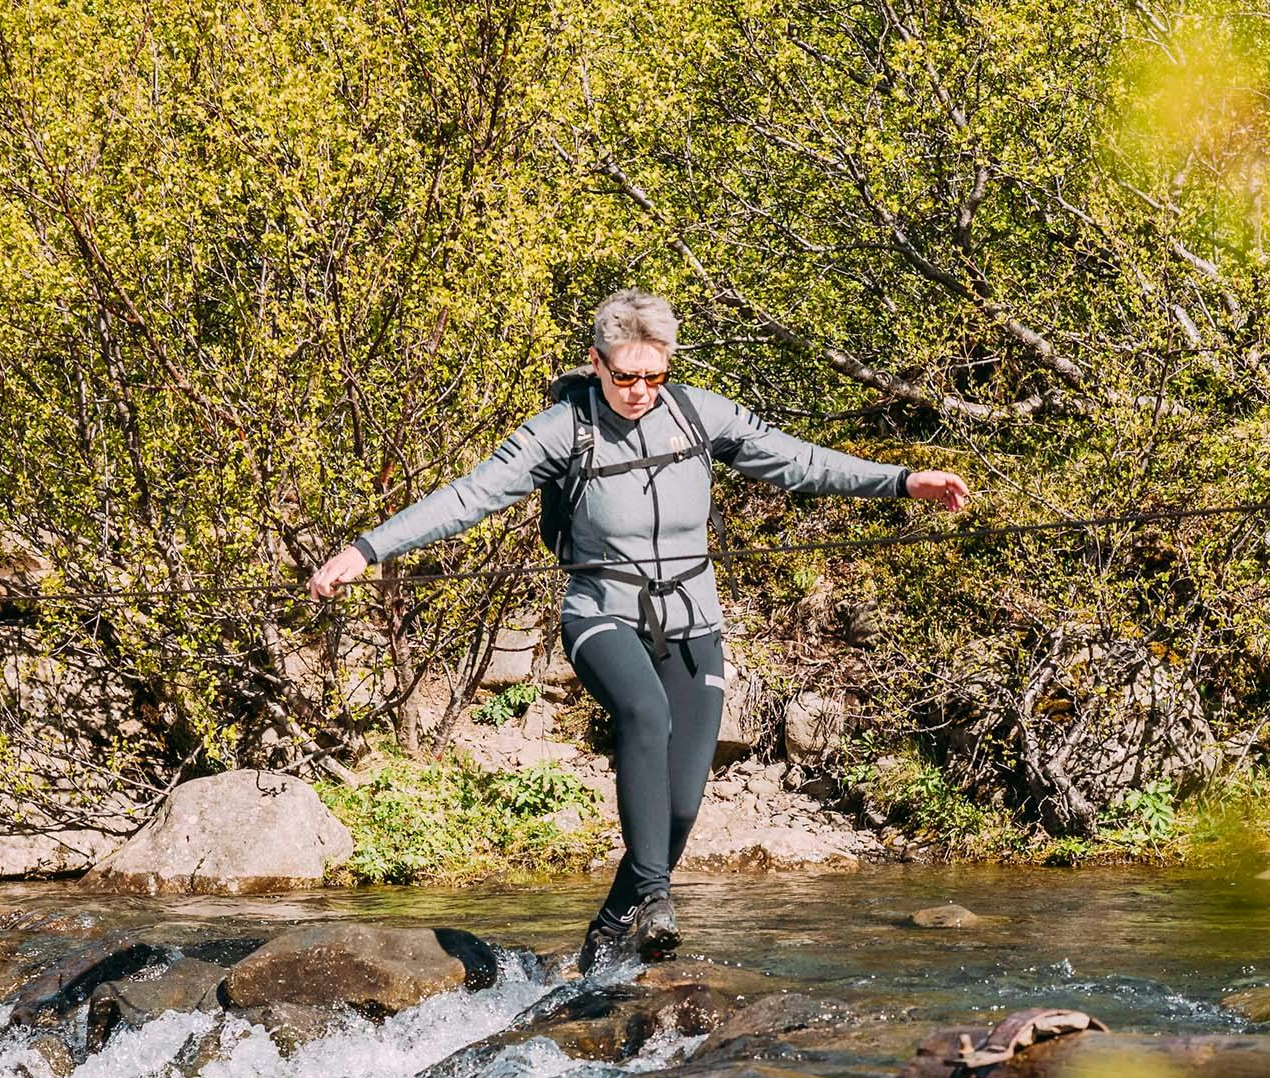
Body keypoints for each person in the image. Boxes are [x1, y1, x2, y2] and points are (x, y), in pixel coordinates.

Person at [308, 288, 969, 973]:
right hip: (602, 616)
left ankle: (609, 928)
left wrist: (901, 481)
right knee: (644, 713)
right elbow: (466, 496)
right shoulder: (563, 430)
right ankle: (655, 898)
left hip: (694, 624)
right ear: (596, 363)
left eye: (653, 375)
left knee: (681, 808)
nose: (640, 391)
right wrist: (364, 550)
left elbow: (799, 461)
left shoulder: (696, 414)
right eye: (625, 375)